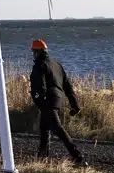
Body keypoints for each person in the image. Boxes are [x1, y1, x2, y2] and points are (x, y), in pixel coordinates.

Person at [29, 38, 87, 166]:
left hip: (48, 101)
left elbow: (39, 86)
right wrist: (74, 104)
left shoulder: (40, 65)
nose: (33, 54)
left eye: (33, 52)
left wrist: (39, 100)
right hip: (58, 100)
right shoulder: (56, 64)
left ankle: (78, 157)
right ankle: (42, 159)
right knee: (44, 129)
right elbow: (67, 86)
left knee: (58, 129)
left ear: (36, 52)